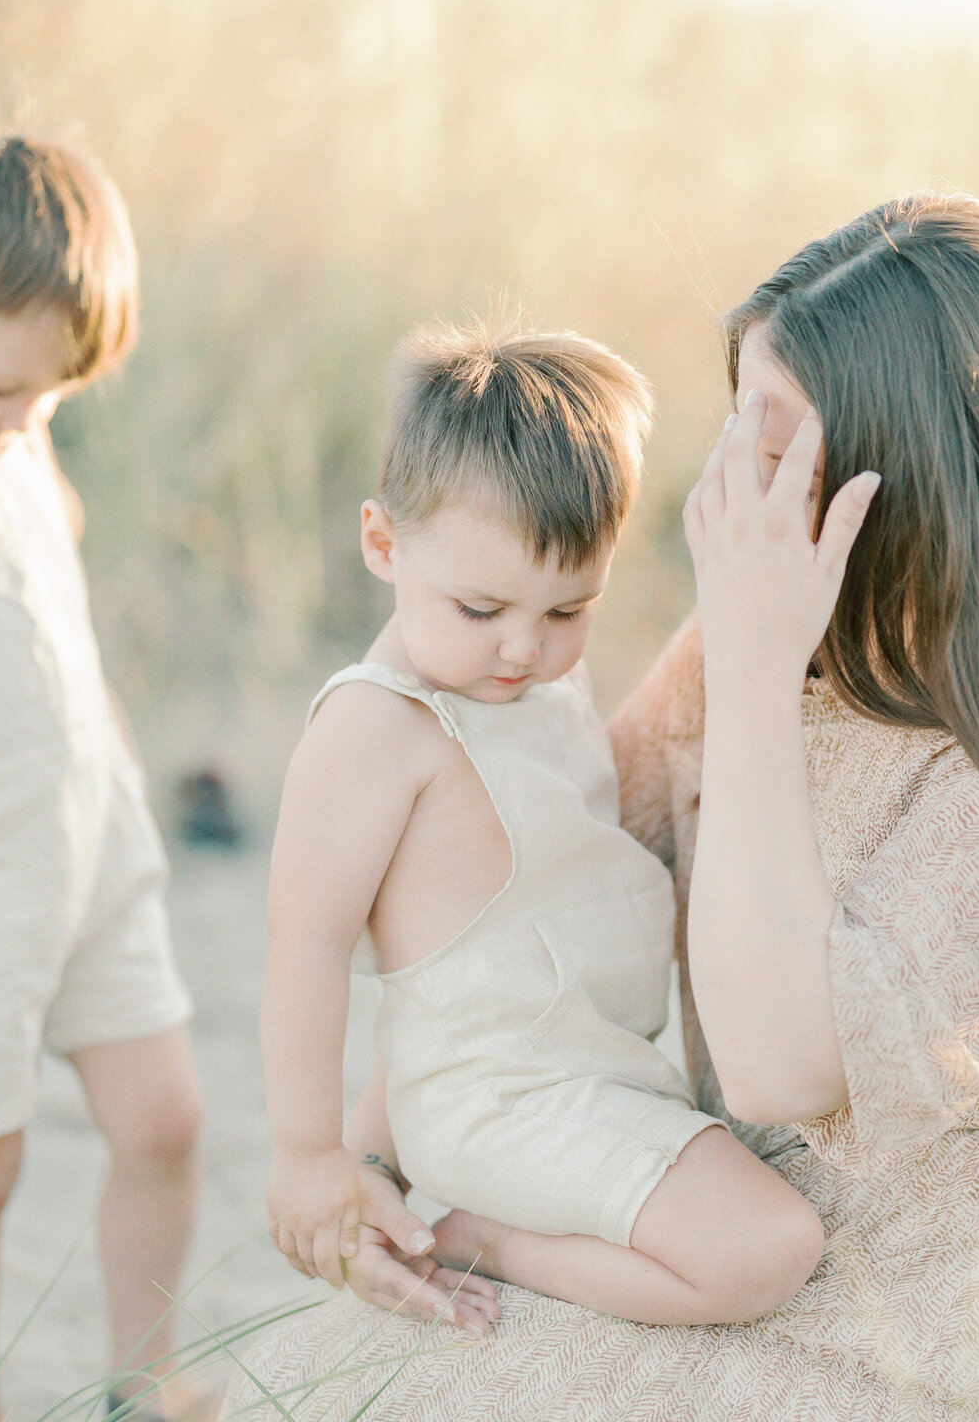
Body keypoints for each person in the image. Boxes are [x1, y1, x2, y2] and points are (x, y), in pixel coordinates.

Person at [219, 194, 979, 1422]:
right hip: (727, 1286)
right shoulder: (780, 635)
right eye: (733, 420)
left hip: (909, 1405)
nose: (724, 481)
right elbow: (570, 858)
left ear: (908, 477)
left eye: (771, 444)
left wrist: (757, 645)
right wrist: (371, 1151)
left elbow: (782, 1058)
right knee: (302, 1395)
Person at [262, 321, 824, 1327]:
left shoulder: (527, 690)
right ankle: (488, 1238)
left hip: (587, 1067)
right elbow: (304, 945)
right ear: (383, 543)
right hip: (503, 1105)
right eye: (480, 609)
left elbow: (472, 961)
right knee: (769, 1250)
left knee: (767, 1229)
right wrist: (315, 1159)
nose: (523, 647)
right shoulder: (376, 728)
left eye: (570, 612)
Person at [0, 134, 203, 1422]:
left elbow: (48, 536)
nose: (17, 415)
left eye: (49, 393)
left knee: (166, 1113)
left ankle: (146, 1374)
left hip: (86, 820)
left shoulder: (14, 432)